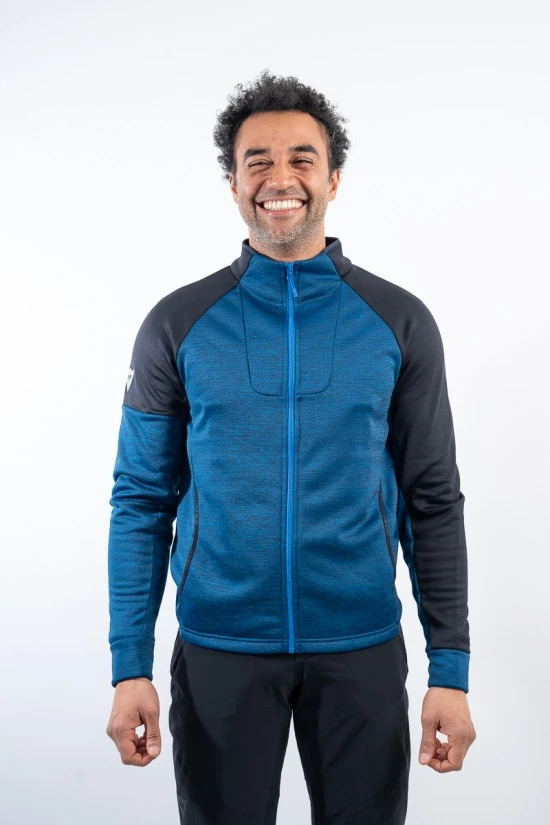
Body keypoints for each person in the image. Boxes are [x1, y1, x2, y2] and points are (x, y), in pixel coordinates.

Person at [106, 69, 476, 824]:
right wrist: (128, 665)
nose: (281, 179)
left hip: (361, 648)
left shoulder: (400, 321)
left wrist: (451, 669)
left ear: (333, 179)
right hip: (219, 648)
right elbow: (140, 500)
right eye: (259, 161)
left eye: (302, 159)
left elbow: (434, 499)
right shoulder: (177, 324)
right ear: (233, 185)